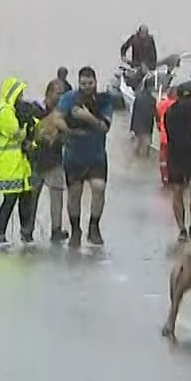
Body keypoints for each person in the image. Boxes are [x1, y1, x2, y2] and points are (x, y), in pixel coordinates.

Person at [56, 66, 113, 247]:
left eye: (90, 83)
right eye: (83, 83)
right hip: (73, 155)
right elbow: (56, 118)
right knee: (74, 193)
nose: (87, 86)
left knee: (99, 188)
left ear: (96, 82)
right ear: (78, 83)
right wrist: (70, 130)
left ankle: (94, 227)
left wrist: (87, 117)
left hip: (96, 154)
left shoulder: (104, 100)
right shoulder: (69, 98)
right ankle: (75, 230)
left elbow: (105, 127)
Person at [0, 78, 39, 245]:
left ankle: (25, 234)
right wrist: (26, 127)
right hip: (7, 164)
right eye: (20, 94)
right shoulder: (5, 111)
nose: (22, 97)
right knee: (9, 200)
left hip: (19, 163)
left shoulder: (12, 110)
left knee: (25, 198)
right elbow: (16, 133)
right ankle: (1, 235)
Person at [161, 81, 191, 240]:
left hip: (190, 155)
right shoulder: (173, 112)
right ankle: (183, 228)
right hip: (178, 155)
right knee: (179, 192)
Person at [34, 74, 71, 242]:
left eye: (63, 93)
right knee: (31, 198)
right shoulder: (36, 111)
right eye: (58, 93)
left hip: (55, 161)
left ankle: (56, 230)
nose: (61, 96)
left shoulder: (63, 114)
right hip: (35, 161)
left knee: (57, 196)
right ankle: (27, 230)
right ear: (48, 93)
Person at [129, 78, 158, 158]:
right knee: (146, 148)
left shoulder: (138, 96)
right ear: (150, 87)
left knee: (136, 145)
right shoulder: (152, 100)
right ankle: (144, 163)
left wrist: (131, 127)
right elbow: (154, 114)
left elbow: (134, 112)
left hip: (136, 125)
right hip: (146, 127)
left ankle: (135, 161)